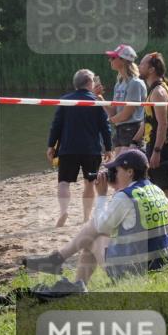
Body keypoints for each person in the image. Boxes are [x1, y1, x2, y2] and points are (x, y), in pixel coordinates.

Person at [23, 149, 168, 297]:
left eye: (117, 170)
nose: (114, 174)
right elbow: (132, 220)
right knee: (95, 234)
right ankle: (70, 276)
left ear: (130, 172)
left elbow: (101, 225)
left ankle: (64, 267)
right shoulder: (156, 190)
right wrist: (118, 189)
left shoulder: (125, 197)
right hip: (163, 260)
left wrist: (101, 196)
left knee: (91, 238)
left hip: (137, 269)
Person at [46, 69, 112, 228]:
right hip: (91, 151)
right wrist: (109, 148)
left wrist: (51, 145)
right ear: (90, 83)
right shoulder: (96, 102)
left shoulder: (65, 100)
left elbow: (56, 125)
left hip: (68, 149)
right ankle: (85, 217)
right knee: (89, 182)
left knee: (63, 182)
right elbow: (105, 127)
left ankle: (63, 212)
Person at [137, 52, 168, 219]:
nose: (139, 67)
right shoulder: (153, 90)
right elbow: (148, 120)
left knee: (165, 188)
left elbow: (162, 124)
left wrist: (157, 151)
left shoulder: (158, 92)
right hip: (152, 143)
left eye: (142, 64)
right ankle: (160, 223)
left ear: (152, 69)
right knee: (155, 186)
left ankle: (167, 226)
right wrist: (135, 140)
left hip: (160, 146)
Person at [105, 44, 147, 154]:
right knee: (119, 167)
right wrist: (99, 97)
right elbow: (114, 111)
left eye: (113, 57)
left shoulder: (135, 83)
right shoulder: (119, 84)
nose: (110, 60)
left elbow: (127, 114)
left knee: (126, 167)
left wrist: (110, 121)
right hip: (120, 129)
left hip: (132, 129)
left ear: (123, 60)